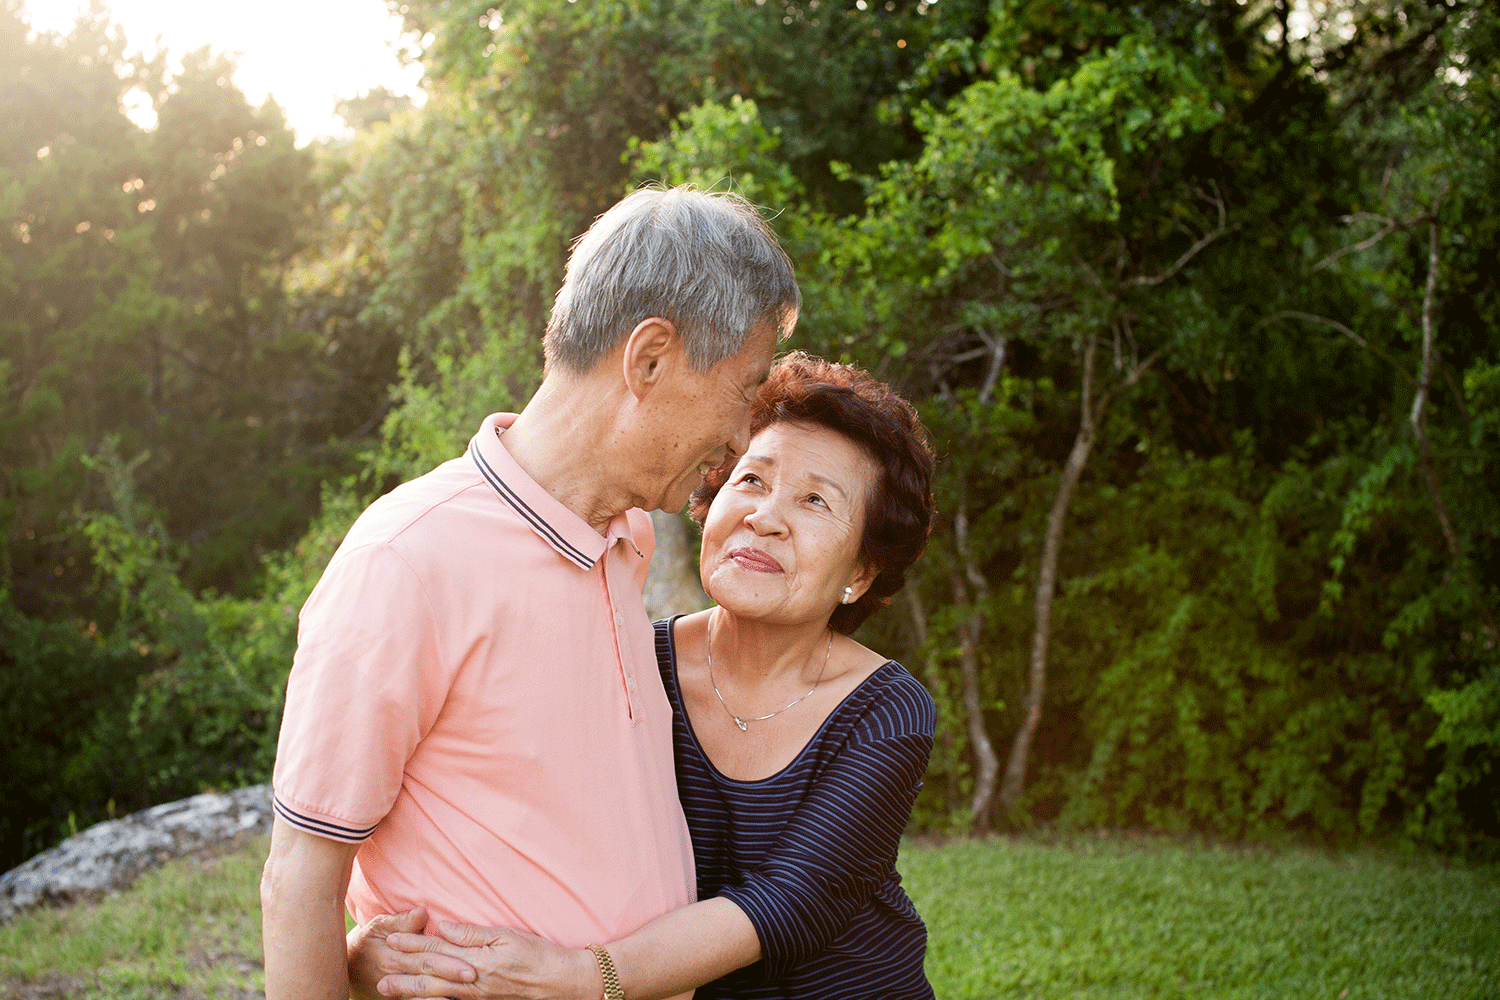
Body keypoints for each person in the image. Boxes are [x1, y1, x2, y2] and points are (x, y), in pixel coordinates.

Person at [259, 185, 800, 1000]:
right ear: (649, 359)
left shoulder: (629, 539)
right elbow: (299, 879)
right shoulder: (406, 561)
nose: (739, 435)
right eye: (741, 388)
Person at [349, 351, 939, 999]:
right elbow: (508, 805)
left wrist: (584, 977)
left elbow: (796, 900)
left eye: (815, 500)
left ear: (860, 573)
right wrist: (387, 943)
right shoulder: (635, 659)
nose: (765, 516)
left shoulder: (887, 710)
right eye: (750, 481)